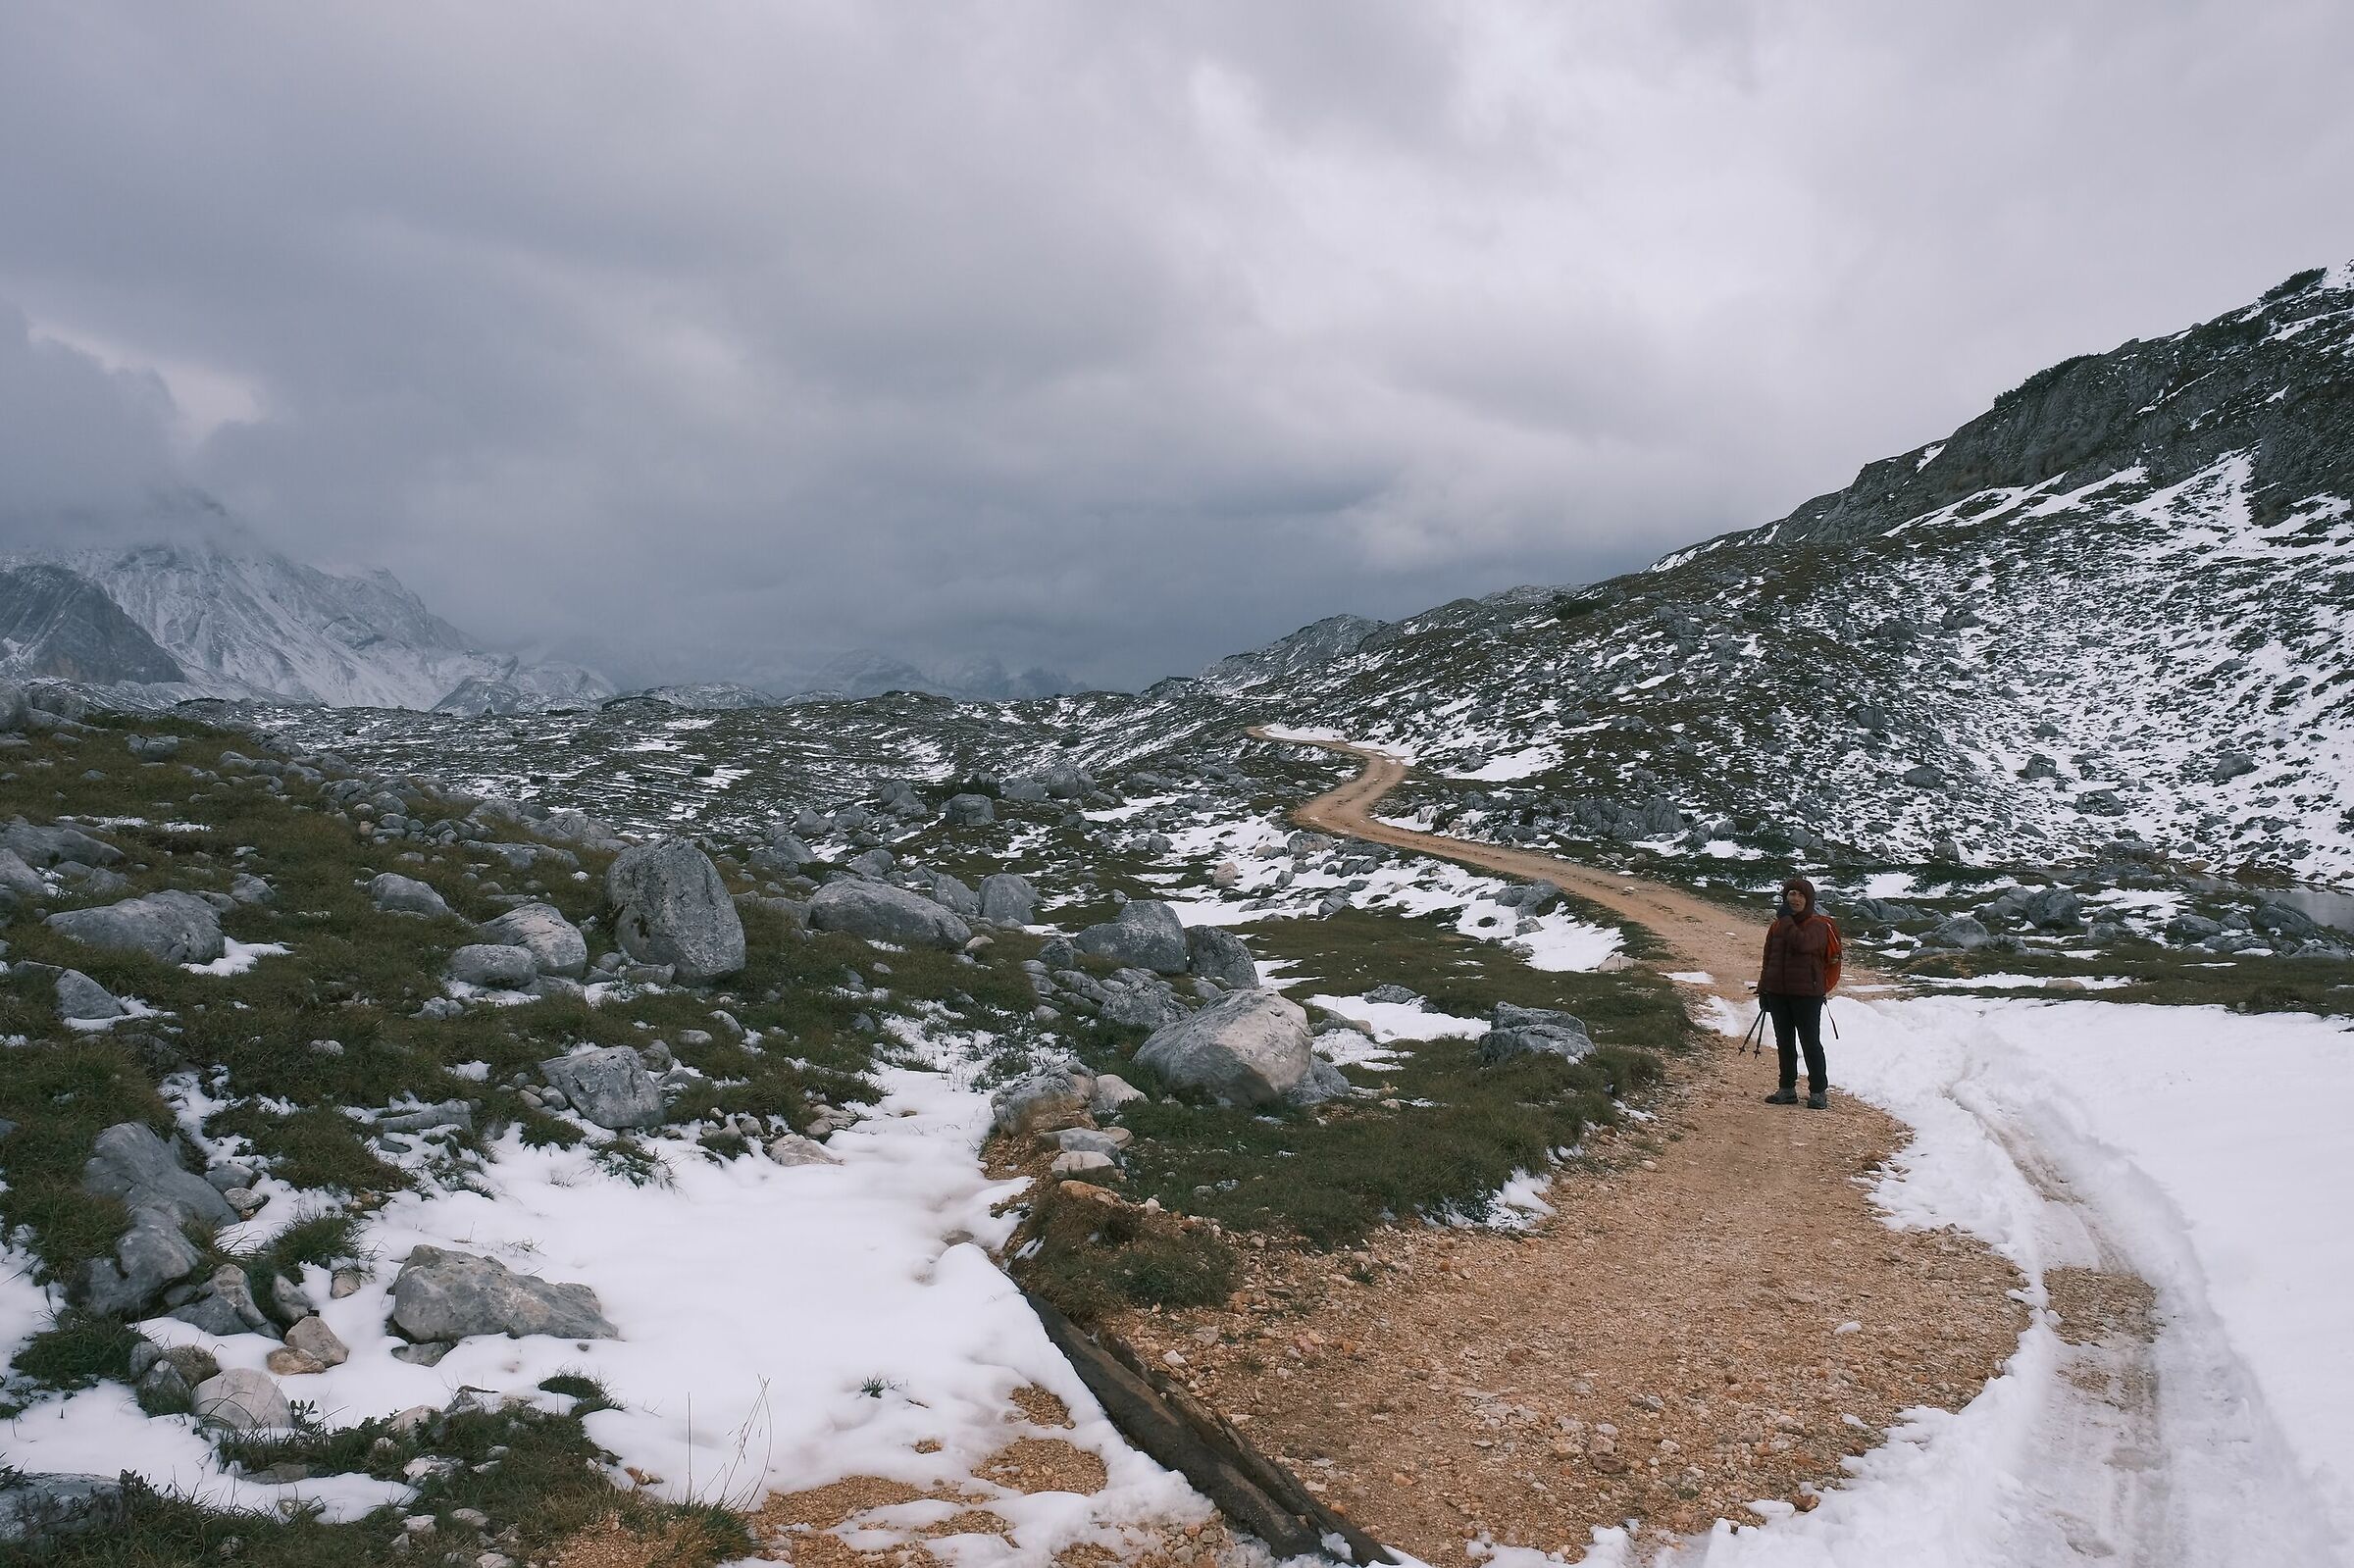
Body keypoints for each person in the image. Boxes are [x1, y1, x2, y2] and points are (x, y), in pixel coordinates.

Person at [1755, 874, 1841, 1109]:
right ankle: (1787, 1089)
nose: (1794, 898)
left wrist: (1785, 922)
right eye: (1791, 893)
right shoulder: (1777, 926)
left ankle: (1818, 1092)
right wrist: (1764, 989)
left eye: (1800, 895)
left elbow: (1802, 944)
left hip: (1807, 995)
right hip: (1778, 992)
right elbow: (1768, 958)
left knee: (1810, 1043)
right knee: (1784, 1042)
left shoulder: (1817, 925)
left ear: (1809, 900)